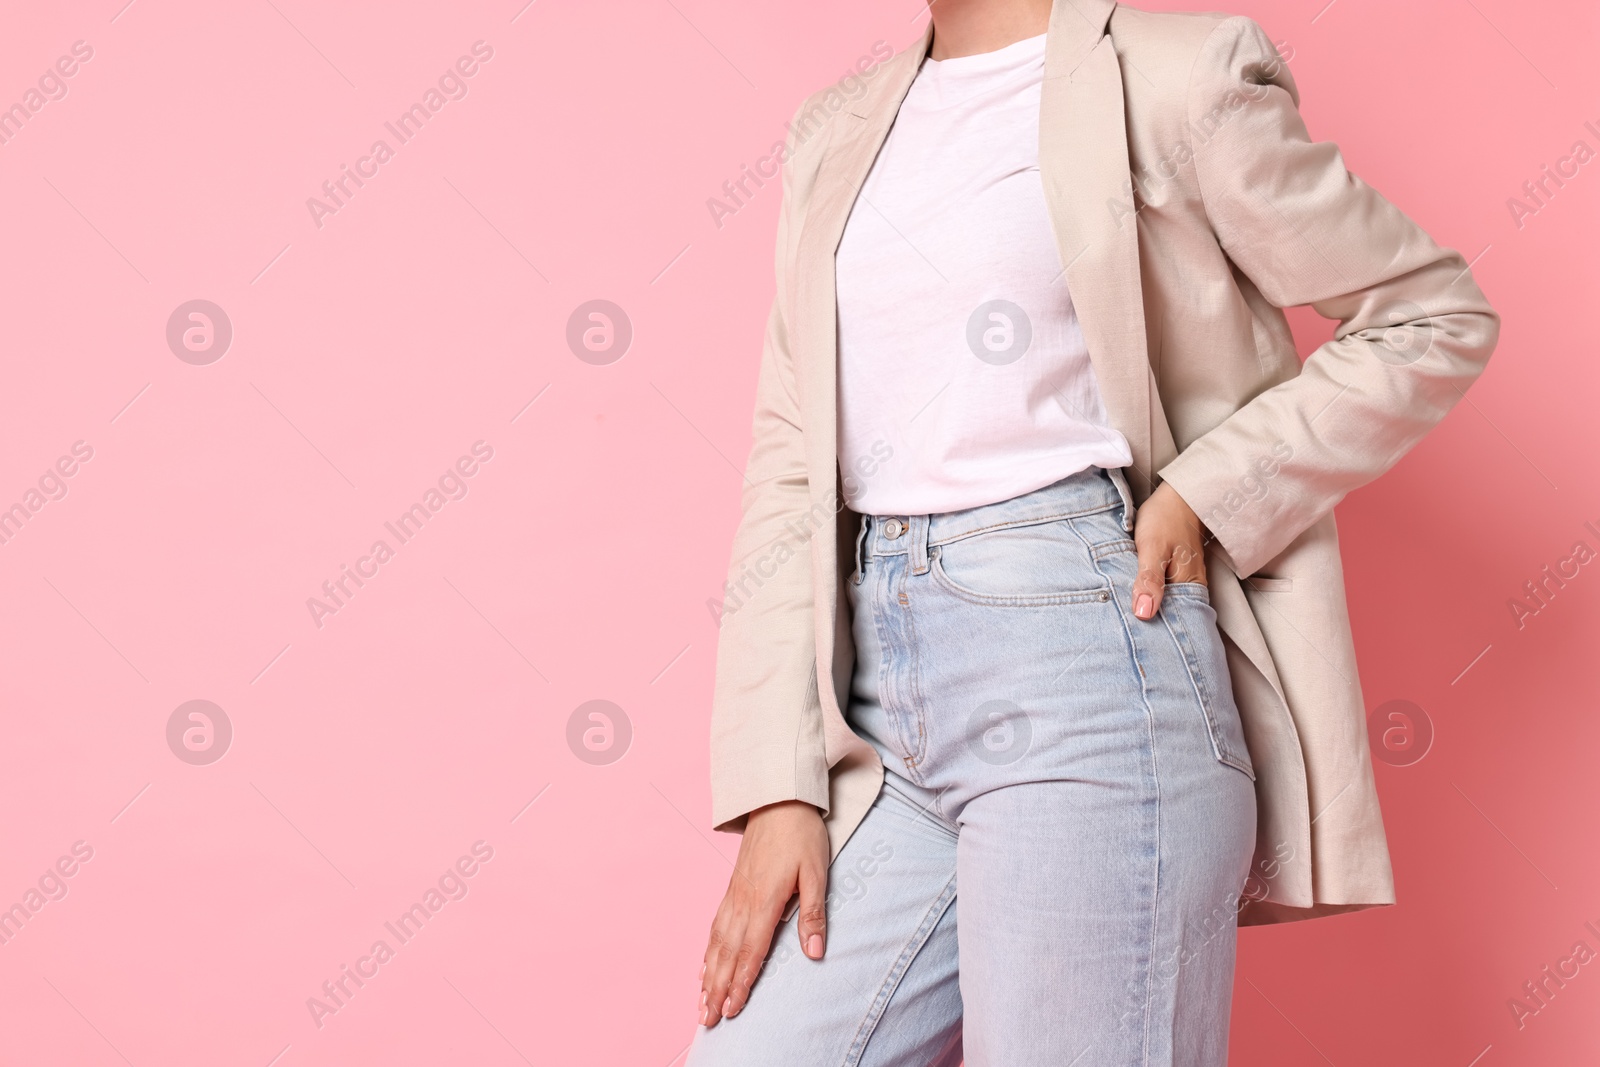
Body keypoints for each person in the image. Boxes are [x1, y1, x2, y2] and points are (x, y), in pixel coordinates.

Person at [688, 1, 1499, 1064]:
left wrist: (1209, 493)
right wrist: (779, 782)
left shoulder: (1174, 78)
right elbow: (792, 454)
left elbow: (1430, 313)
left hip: (1088, 673)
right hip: (875, 711)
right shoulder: (835, 129)